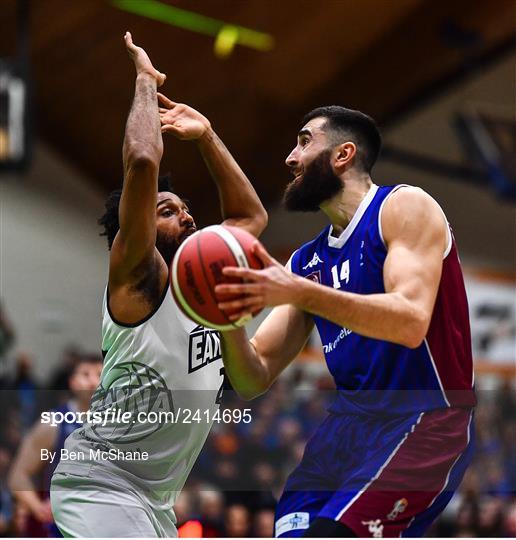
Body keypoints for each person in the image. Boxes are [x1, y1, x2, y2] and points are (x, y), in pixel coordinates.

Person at [215, 106, 476, 537]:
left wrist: (302, 292)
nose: (290, 158)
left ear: (343, 155)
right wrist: (223, 320)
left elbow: (410, 322)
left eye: (303, 142)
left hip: (424, 420)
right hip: (346, 430)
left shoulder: (403, 207)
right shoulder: (306, 261)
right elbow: (253, 375)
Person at [49, 32, 267, 538]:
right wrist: (146, 82)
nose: (187, 216)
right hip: (102, 482)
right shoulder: (139, 276)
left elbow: (250, 217)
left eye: (187, 208)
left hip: (154, 503)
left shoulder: (204, 291)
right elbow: (143, 161)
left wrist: (208, 135)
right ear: (140, 225)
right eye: (168, 210)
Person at [9, 356, 102, 537]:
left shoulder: (120, 424)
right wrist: (39, 507)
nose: (92, 381)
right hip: (64, 527)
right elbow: (17, 476)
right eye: (85, 374)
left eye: (99, 374)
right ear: (73, 382)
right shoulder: (53, 422)